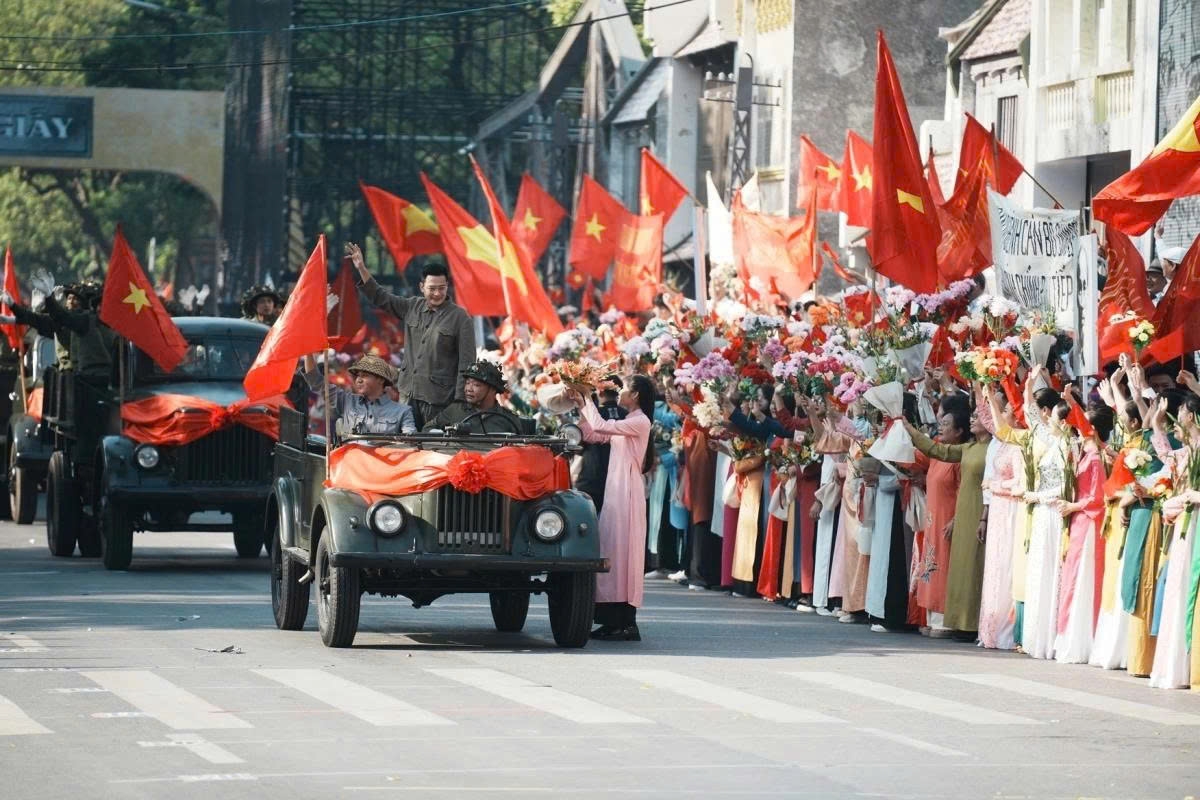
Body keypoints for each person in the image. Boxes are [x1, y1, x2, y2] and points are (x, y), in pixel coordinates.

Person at [348, 243, 475, 428]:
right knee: (406, 442)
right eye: (432, 288)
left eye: (442, 288)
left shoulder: (460, 318)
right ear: (422, 287)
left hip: (439, 402)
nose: (437, 293)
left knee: (434, 443)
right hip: (407, 396)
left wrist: (459, 402)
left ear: (447, 286)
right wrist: (361, 268)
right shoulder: (411, 307)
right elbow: (381, 297)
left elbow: (467, 363)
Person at [569, 374, 654, 642]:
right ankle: (611, 620)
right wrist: (580, 404)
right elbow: (592, 433)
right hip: (617, 490)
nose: (620, 393)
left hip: (627, 492)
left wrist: (587, 396)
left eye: (625, 389)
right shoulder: (630, 421)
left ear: (636, 395)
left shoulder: (639, 421)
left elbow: (600, 424)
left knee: (623, 553)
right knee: (613, 551)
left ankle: (625, 621)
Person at [303, 353, 415, 435]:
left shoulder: (403, 412)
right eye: (357, 376)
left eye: (365, 375)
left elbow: (410, 444)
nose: (358, 380)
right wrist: (308, 352)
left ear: (381, 380)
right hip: (349, 460)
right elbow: (315, 380)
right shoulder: (346, 401)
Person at [423, 358, 522, 433]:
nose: (468, 389)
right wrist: (444, 436)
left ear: (492, 389)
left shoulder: (509, 419)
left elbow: (521, 449)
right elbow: (427, 429)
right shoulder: (455, 410)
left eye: (476, 385)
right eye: (467, 383)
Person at [575, 379, 627, 516]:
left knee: (587, 522)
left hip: (592, 478)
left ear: (601, 391)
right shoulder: (629, 416)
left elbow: (579, 443)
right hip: (620, 480)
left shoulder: (593, 415)